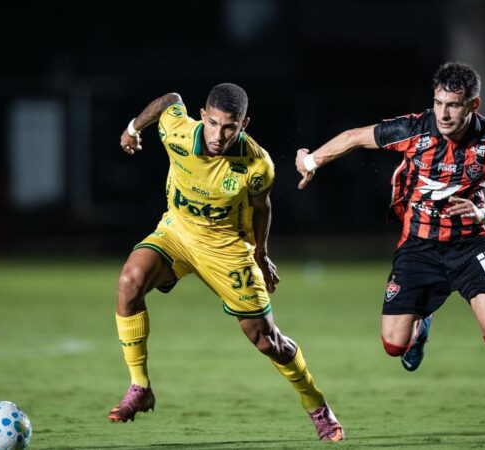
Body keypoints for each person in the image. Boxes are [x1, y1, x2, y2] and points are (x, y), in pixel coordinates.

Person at [295, 62, 485, 444]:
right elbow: (354, 137)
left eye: (454, 105)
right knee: (394, 345)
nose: (443, 113)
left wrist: (483, 213)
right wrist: (312, 161)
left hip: (470, 245)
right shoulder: (415, 128)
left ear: (473, 105)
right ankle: (422, 324)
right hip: (419, 248)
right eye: (438, 102)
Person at [110, 83, 344, 441]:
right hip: (177, 233)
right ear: (203, 116)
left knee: (268, 342)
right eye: (214, 123)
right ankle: (140, 387)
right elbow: (170, 100)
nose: (219, 134)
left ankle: (316, 404)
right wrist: (131, 129)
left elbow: (262, 208)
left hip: (227, 250)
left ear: (244, 124)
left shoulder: (256, 164)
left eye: (230, 126)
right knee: (129, 282)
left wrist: (262, 256)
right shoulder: (179, 131)